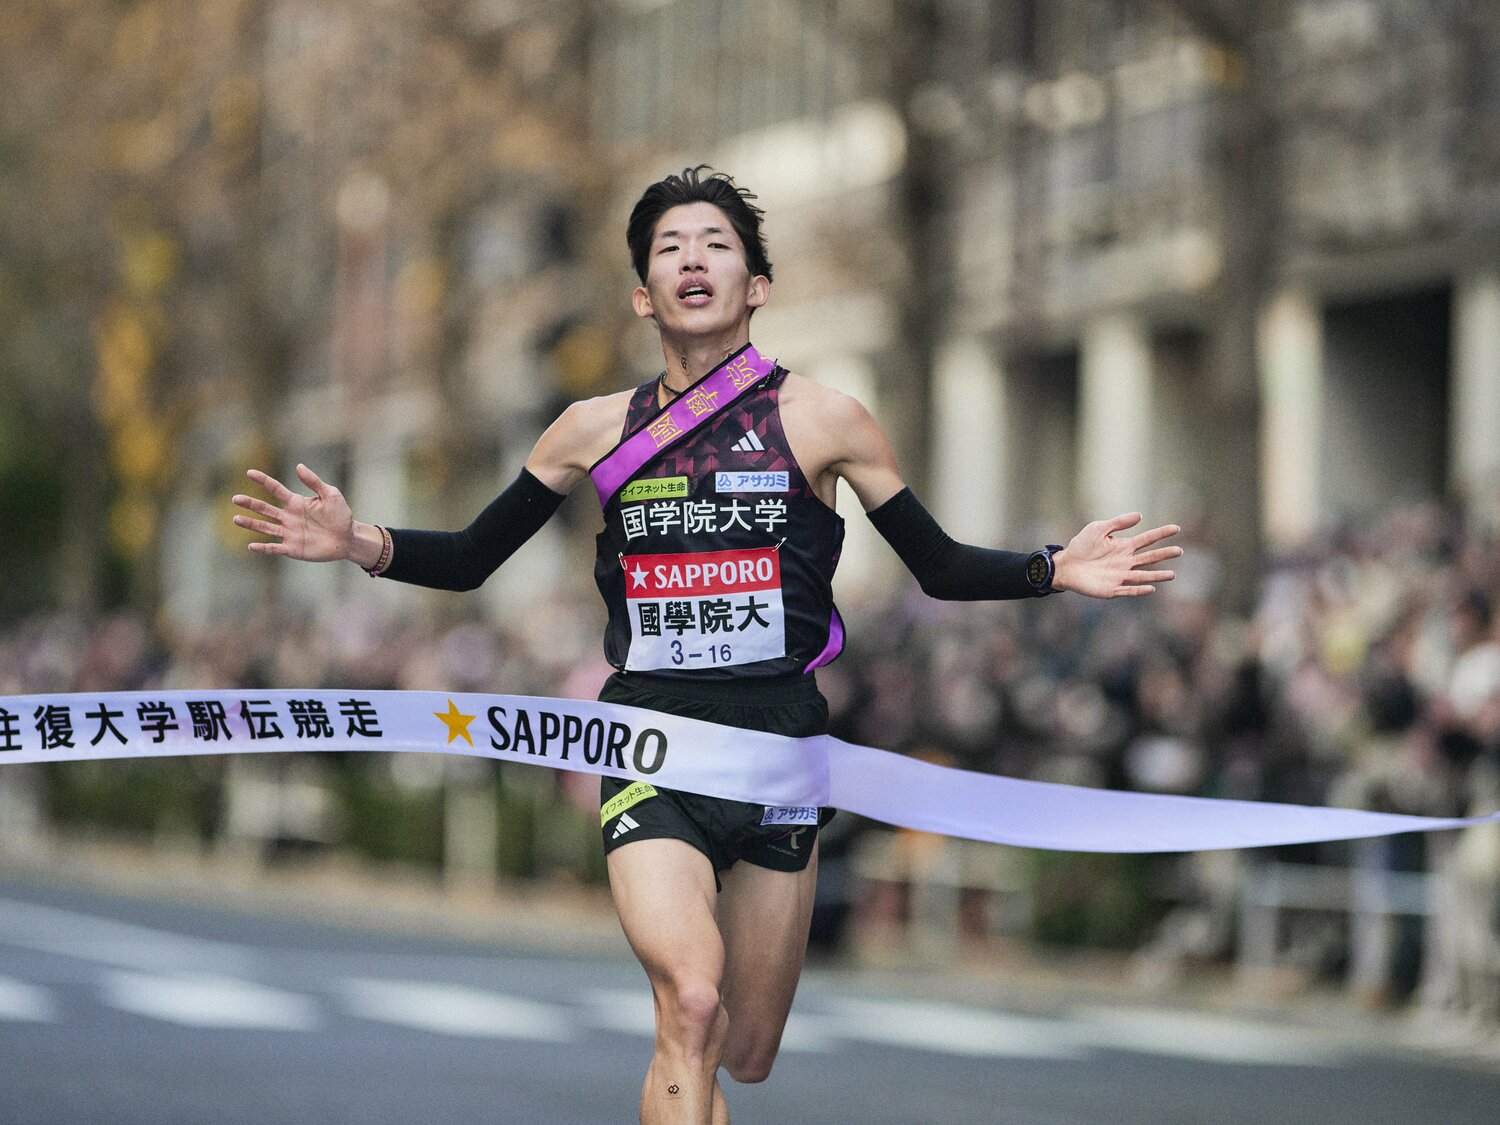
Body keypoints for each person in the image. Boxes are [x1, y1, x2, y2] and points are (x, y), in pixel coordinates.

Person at [232, 166, 1181, 1124]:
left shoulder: (825, 419)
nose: (693, 259)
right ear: (643, 293)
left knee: (747, 1045)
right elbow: (475, 555)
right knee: (690, 1001)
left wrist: (1051, 568)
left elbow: (933, 564)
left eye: (717, 246)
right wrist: (361, 544)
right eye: (670, 249)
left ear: (756, 286)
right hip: (651, 742)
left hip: (779, 753)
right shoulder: (589, 430)